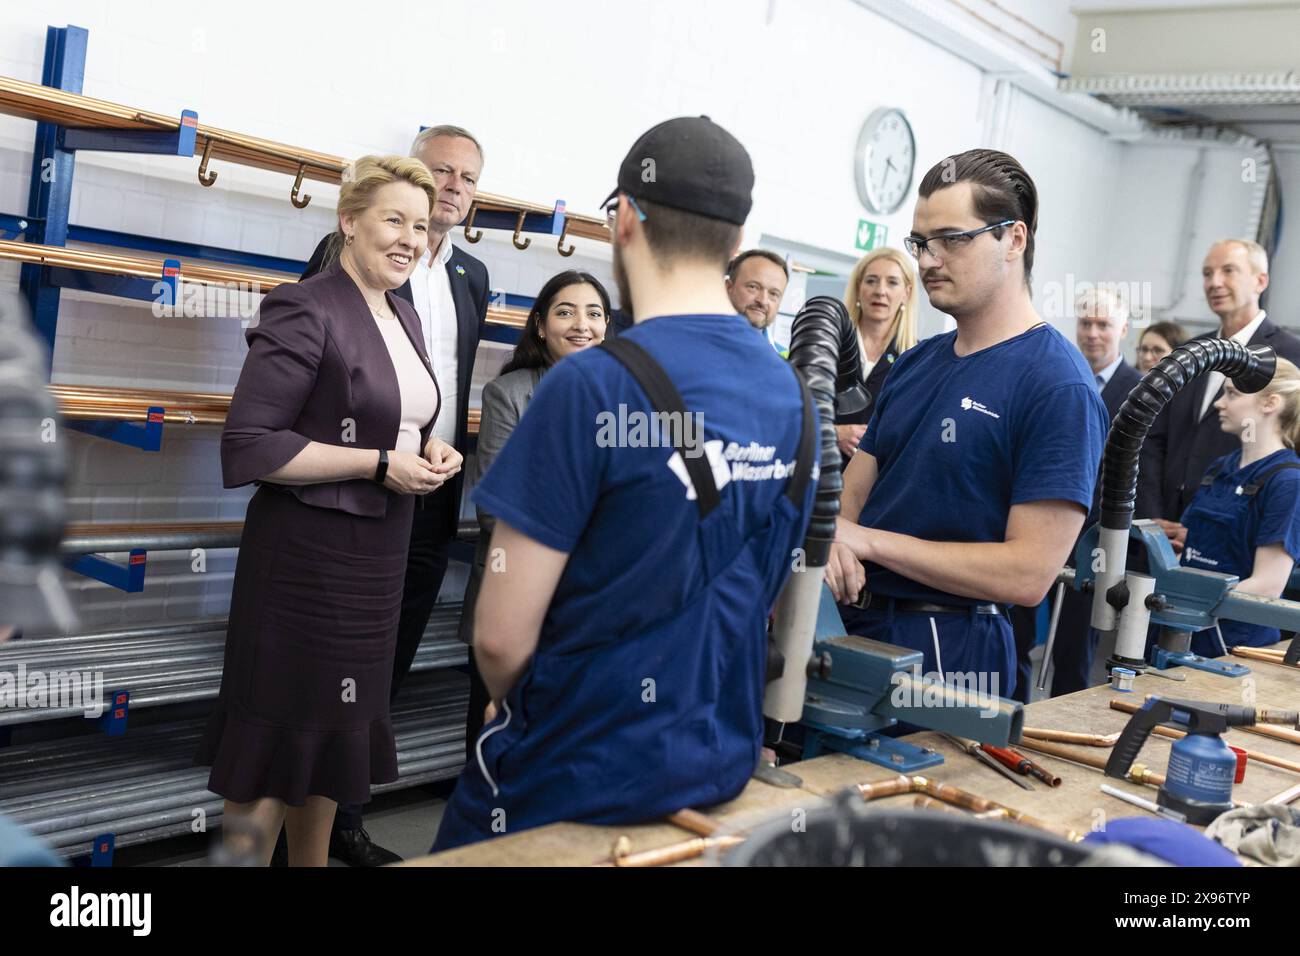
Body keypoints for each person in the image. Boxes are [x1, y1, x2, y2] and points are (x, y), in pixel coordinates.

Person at [431, 116, 818, 851]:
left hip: (566, 775)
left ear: (626, 220)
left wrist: (525, 704)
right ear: (736, 243)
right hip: (713, 769)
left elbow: (501, 637)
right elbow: (757, 591)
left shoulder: (587, 387)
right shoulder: (794, 399)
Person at [197, 155, 461, 867]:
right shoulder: (304, 305)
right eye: (392, 220)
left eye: (418, 223)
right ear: (349, 223)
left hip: (376, 564)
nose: (410, 236)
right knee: (275, 743)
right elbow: (252, 444)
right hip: (304, 568)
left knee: (331, 742)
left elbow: (392, 417)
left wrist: (433, 450)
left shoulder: (401, 311)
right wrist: (376, 463)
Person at [824, 149, 1108, 703]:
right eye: (921, 243)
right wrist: (837, 540)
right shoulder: (915, 363)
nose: (928, 260)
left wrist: (869, 544)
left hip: (950, 650)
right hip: (852, 625)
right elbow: (850, 505)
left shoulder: (1057, 384)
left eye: (952, 239)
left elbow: (1027, 574)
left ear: (1014, 240)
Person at [300, 126, 489, 866]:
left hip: (433, 490)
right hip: (355, 484)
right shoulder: (358, 253)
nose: (453, 186)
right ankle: (305, 828)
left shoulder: (471, 276)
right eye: (441, 170)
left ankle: (343, 814)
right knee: (333, 660)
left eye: (468, 178)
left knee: (389, 658)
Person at [456, 271, 611, 756]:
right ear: (541, 326)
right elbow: (494, 508)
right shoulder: (512, 393)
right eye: (566, 312)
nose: (582, 325)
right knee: (498, 744)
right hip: (516, 596)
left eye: (594, 313)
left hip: (594, 601)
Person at [1009, 287, 1141, 700]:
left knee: (1073, 648)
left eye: (1104, 324)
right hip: (1035, 526)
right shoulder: (1056, 377)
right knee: (1016, 633)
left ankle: (1063, 730)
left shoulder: (1141, 390)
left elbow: (1145, 469)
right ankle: (1010, 720)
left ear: (1123, 328)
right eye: (1086, 323)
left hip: (1096, 542)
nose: (1093, 333)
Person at [1138, 239, 1300, 525]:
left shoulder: (1289, 355)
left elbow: (1290, 451)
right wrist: (1152, 519)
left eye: (1228, 271)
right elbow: (1154, 438)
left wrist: (1213, 527)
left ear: (1260, 280)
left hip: (1233, 532)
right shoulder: (1189, 352)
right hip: (1160, 528)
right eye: (1207, 273)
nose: (1215, 282)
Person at [1170, 359, 1300, 655]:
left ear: (1270, 403)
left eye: (1232, 394)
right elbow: (1189, 548)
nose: (1219, 403)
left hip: (1235, 646)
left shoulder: (1287, 483)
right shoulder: (1218, 470)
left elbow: (1267, 585)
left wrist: (1186, 597)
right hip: (1182, 633)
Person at [833, 247, 920, 466]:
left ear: (906, 293)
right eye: (871, 281)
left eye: (892, 282)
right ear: (858, 287)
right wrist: (834, 432)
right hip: (815, 475)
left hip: (872, 486)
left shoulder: (917, 359)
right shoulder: (827, 343)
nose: (880, 291)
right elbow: (794, 410)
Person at [724, 248, 789, 350]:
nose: (763, 300)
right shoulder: (698, 337)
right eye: (753, 287)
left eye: (773, 294)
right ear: (728, 288)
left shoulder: (785, 360)